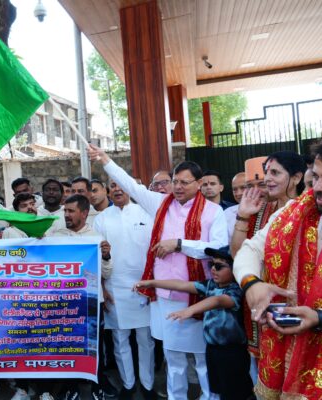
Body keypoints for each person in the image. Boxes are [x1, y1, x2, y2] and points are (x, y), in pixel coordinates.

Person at [88, 144, 227, 400]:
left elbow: (217, 247)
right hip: (164, 294)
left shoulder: (213, 211)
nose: (178, 187)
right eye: (176, 181)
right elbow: (130, 186)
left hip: (197, 294)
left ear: (199, 184)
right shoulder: (162, 204)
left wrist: (179, 244)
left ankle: (209, 397)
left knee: (201, 358)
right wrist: (105, 160)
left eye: (185, 182)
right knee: (173, 357)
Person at [234, 133, 322, 399]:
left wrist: (321, 318)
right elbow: (250, 250)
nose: (318, 187)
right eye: (316, 177)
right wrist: (252, 283)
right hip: (289, 355)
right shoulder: (297, 210)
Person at [135, 246, 253, 400]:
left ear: (235, 269)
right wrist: (151, 282)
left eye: (219, 266)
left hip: (232, 352)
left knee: (235, 393)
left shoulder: (236, 290)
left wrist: (190, 310)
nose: (213, 269)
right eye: (212, 265)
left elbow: (218, 300)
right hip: (213, 349)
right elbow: (181, 285)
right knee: (219, 390)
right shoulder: (210, 285)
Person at [93, 180, 155, 398]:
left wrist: (153, 284)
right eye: (113, 186)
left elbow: (155, 252)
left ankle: (148, 385)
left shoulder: (147, 213)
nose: (118, 189)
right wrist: (102, 287)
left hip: (145, 285)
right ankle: (128, 385)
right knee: (120, 340)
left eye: (122, 185)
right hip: (114, 287)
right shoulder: (101, 219)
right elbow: (97, 257)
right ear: (108, 191)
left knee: (145, 340)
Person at [49, 194, 113, 400]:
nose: (66, 215)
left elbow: (107, 273)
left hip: (91, 303)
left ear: (84, 213)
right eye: (65, 211)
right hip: (64, 303)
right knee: (67, 346)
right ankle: (71, 388)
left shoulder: (96, 238)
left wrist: (106, 256)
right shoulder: (55, 236)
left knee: (94, 347)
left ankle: (96, 386)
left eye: (71, 211)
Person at [224, 172, 246, 239]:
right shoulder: (227, 213)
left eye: (243, 188)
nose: (239, 193)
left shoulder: (267, 210)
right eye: (235, 189)